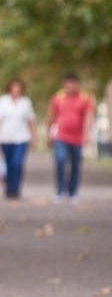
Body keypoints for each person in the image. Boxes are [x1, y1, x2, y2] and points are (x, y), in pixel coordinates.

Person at [47, 72, 94, 203]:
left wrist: (87, 133)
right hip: (60, 136)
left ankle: (73, 192)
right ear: (63, 84)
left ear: (77, 84)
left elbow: (89, 116)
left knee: (75, 164)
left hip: (78, 138)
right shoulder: (58, 97)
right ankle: (59, 190)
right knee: (60, 160)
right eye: (67, 83)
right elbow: (51, 116)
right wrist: (48, 134)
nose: (70, 86)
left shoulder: (84, 98)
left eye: (73, 83)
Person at [0, 78, 36, 199]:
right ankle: (8, 187)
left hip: (21, 137)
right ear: (9, 88)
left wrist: (33, 137)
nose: (16, 89)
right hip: (5, 137)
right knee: (8, 163)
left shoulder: (26, 102)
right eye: (14, 87)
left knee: (17, 163)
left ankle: (16, 188)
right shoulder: (1, 102)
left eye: (18, 87)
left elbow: (30, 121)